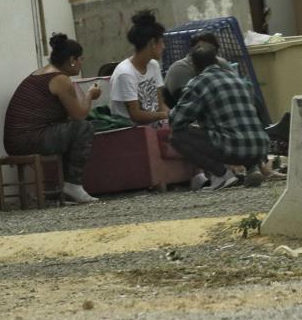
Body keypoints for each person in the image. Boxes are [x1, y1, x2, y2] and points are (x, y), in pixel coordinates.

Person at [3, 33, 101, 204]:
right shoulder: (60, 79)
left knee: (70, 130)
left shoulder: (40, 73)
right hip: (27, 139)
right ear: (72, 59)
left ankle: (61, 189)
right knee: (83, 128)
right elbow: (79, 115)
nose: (81, 63)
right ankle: (73, 185)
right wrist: (90, 95)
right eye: (81, 59)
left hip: (17, 140)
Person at [168, 43, 270, 191]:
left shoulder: (198, 83)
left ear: (194, 66)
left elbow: (176, 121)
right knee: (238, 127)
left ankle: (221, 175)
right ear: (216, 60)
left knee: (176, 136)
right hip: (260, 146)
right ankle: (252, 169)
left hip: (232, 148)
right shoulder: (237, 79)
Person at [109, 11, 169, 125]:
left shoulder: (153, 66)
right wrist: (164, 115)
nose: (164, 47)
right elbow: (136, 115)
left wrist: (173, 116)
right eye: (161, 42)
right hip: (133, 133)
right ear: (152, 43)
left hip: (155, 127)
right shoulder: (125, 73)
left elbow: (161, 105)